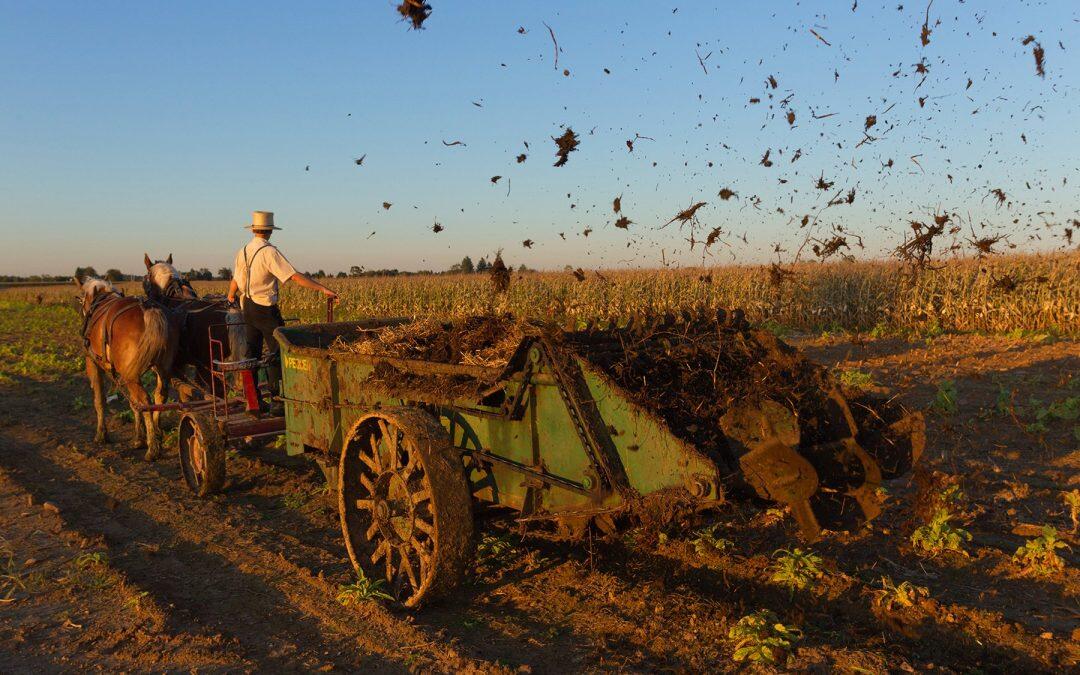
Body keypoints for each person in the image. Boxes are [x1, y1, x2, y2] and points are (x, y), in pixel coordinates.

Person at [227, 211, 337, 414]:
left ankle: (253, 402)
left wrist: (231, 296)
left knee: (251, 353)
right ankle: (278, 402)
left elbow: (235, 280)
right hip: (264, 308)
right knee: (278, 352)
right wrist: (322, 288)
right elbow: (293, 276)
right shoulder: (270, 252)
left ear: (253, 229)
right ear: (269, 231)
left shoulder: (242, 251)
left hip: (247, 307)